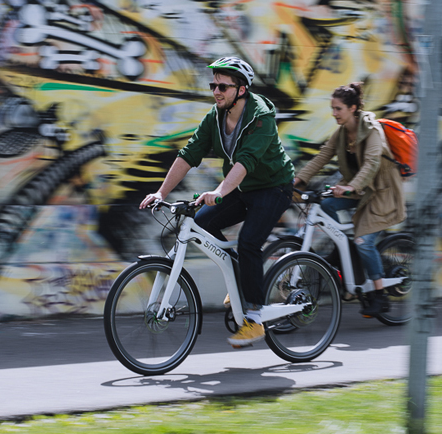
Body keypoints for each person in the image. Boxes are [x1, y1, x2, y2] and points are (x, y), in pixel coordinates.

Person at [140, 57, 295, 347]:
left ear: (241, 90)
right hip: (241, 187)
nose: (216, 91)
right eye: (213, 85)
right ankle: (241, 280)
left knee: (249, 241)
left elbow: (245, 163)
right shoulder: (216, 116)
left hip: (273, 187)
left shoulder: (260, 116)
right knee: (202, 222)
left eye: (223, 86)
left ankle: (255, 318)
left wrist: (220, 190)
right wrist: (161, 192)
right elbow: (189, 154)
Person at [293, 82, 406, 317]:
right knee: (326, 205)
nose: (334, 113)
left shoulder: (372, 130)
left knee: (364, 241)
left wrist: (350, 187)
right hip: (358, 190)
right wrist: (297, 180)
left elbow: (372, 163)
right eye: (332, 108)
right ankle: (345, 248)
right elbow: (322, 156)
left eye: (338, 109)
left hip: (381, 192)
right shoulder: (342, 133)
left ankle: (379, 295)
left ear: (353, 108)